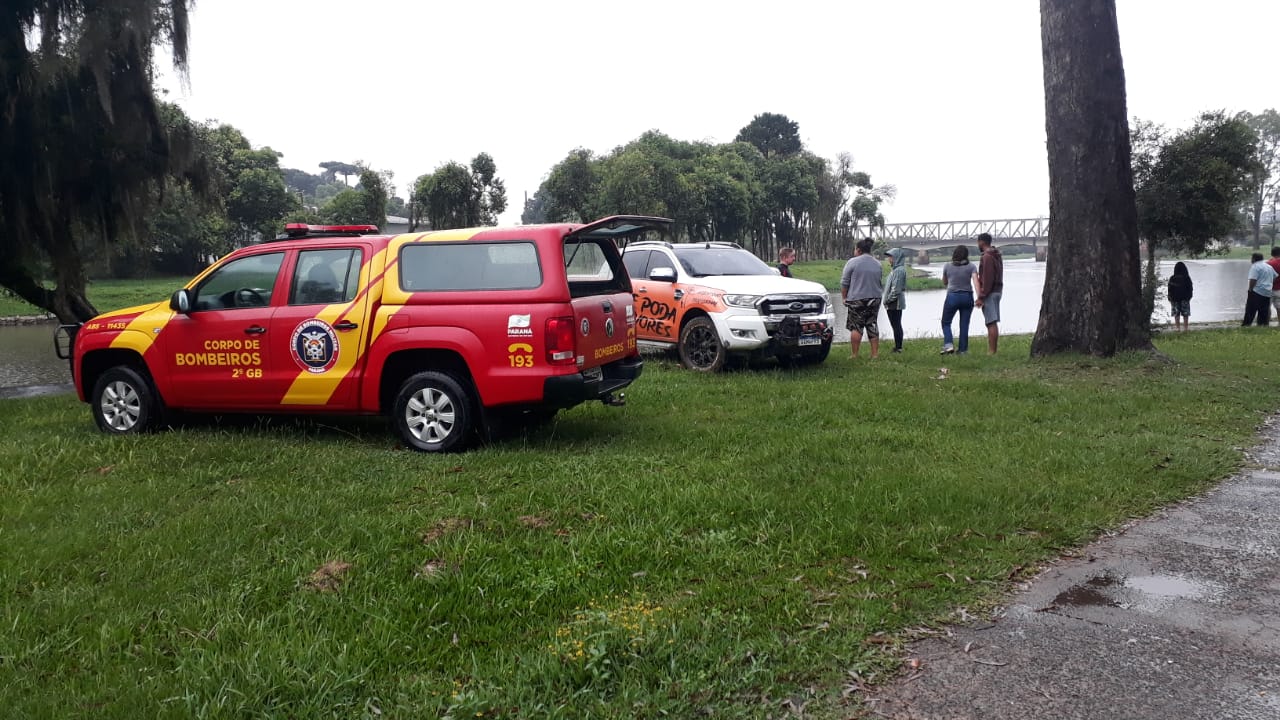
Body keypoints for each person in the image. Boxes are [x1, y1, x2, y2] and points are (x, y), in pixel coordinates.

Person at [839, 238, 883, 359]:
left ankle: (855, 354)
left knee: (856, 327)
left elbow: (844, 283)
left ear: (858, 250)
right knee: (872, 324)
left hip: (856, 299)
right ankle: (874, 354)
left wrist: (844, 298)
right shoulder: (878, 263)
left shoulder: (852, 262)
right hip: (875, 298)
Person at [939, 244, 977, 354]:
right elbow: (975, 281)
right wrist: (980, 297)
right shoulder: (971, 266)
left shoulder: (947, 266)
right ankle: (963, 350)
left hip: (952, 296)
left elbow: (945, 282)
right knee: (964, 324)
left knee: (946, 322)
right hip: (967, 296)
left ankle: (948, 344)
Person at [974, 232, 1004, 354]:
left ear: (982, 242)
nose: (977, 244)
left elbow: (987, 278)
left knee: (990, 322)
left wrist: (981, 296)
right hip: (997, 291)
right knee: (993, 321)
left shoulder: (986, 257)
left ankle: (992, 351)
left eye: (978, 242)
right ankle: (993, 350)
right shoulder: (996, 254)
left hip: (990, 293)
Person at [881, 247, 908, 353]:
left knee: (896, 324)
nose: (889, 259)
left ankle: (898, 347)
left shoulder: (899, 271)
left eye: (891, 257)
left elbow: (896, 289)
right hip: (892, 302)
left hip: (895, 303)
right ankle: (897, 346)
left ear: (896, 258)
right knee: (895, 324)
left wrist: (887, 300)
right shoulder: (896, 270)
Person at [1243, 252, 1277, 326]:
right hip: (1267, 291)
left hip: (1257, 291)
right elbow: (1274, 276)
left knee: (1250, 309)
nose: (1251, 260)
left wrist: (1250, 289)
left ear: (1254, 259)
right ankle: (1262, 324)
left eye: (1251, 258)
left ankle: (1246, 325)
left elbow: (1253, 279)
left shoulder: (1255, 266)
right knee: (1264, 310)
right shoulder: (1269, 266)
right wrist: (1268, 283)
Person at [1166, 261, 1193, 332]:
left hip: (1174, 299)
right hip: (1185, 298)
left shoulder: (1172, 278)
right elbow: (1190, 288)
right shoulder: (1187, 278)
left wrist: (1170, 298)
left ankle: (1177, 328)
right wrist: (1189, 297)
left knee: (1176, 314)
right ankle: (1186, 328)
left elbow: (1169, 289)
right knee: (1185, 314)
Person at [1268, 247, 1280, 320]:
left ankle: (1266, 323)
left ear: (1272, 254)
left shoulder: (1268, 264)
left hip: (1269, 289)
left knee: (1267, 307)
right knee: (1279, 307)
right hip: (1279, 290)